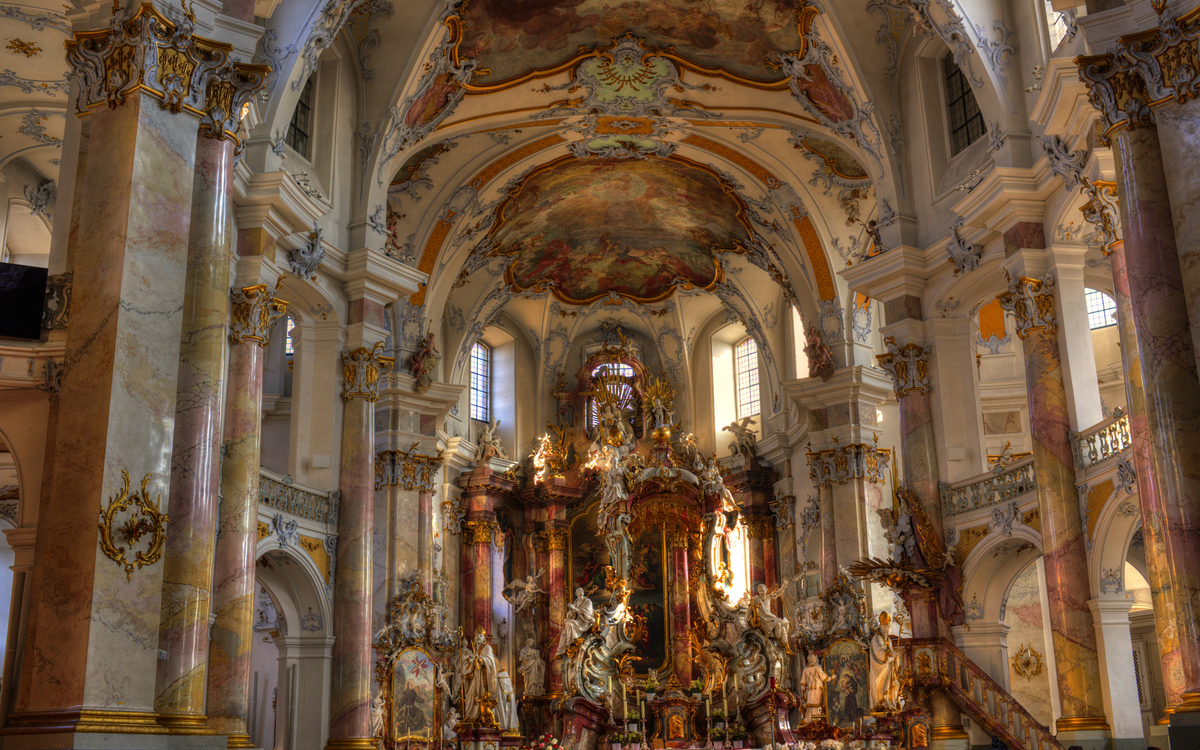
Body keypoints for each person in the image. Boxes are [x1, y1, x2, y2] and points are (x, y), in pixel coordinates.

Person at [869, 612, 901, 711]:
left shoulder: (888, 639)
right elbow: (879, 650)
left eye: (887, 627)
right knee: (883, 686)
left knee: (895, 684)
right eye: (884, 627)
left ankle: (891, 703)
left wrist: (895, 655)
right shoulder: (877, 637)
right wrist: (890, 654)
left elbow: (890, 650)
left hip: (888, 666)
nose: (886, 629)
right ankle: (882, 703)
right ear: (880, 626)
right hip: (879, 668)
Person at [555, 587, 596, 656]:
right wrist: (571, 609)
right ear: (576, 594)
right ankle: (561, 649)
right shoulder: (576, 602)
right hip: (578, 621)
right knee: (564, 631)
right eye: (578, 590)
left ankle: (570, 642)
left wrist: (575, 609)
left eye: (581, 590)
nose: (580, 590)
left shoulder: (587, 601)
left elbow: (587, 614)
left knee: (569, 624)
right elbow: (573, 615)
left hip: (585, 622)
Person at [798, 653, 834, 725]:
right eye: (814, 658)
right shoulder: (817, 668)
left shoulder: (805, 670)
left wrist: (803, 691)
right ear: (813, 660)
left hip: (810, 691)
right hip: (817, 689)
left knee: (810, 705)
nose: (815, 659)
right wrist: (832, 678)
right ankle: (816, 719)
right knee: (817, 705)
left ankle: (808, 719)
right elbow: (824, 678)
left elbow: (803, 683)